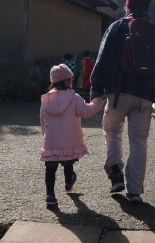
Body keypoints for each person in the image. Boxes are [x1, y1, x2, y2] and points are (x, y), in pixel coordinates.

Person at [90, 0, 155, 204]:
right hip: (145, 97)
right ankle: (135, 190)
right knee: (139, 142)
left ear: (128, 7)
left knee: (113, 132)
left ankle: (116, 175)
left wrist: (95, 91)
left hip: (118, 93)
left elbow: (102, 60)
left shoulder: (117, 27)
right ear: (146, 10)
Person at [40, 64, 103, 206]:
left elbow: (42, 119)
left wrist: (45, 133)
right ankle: (68, 182)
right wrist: (97, 102)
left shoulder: (46, 99)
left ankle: (50, 195)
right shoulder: (74, 97)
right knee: (68, 160)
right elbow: (86, 111)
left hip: (51, 140)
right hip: (70, 140)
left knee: (50, 167)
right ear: (68, 80)